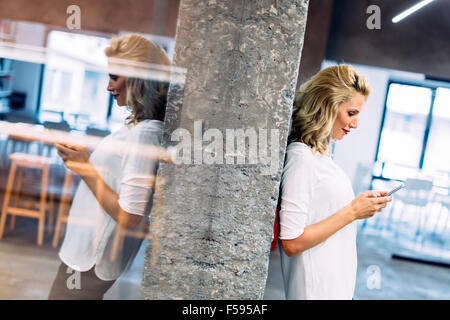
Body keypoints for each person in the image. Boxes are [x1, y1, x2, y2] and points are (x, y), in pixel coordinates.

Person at [48, 34, 171, 300]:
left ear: (138, 78)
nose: (107, 87)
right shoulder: (138, 126)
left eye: (114, 77)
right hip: (86, 254)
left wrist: (85, 168)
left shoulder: (145, 133)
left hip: (92, 259)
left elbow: (131, 216)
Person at [278, 65, 392, 300]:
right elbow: (292, 242)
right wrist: (352, 211)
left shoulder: (320, 156)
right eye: (351, 113)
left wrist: (358, 208)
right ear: (327, 105)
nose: (355, 124)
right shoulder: (301, 158)